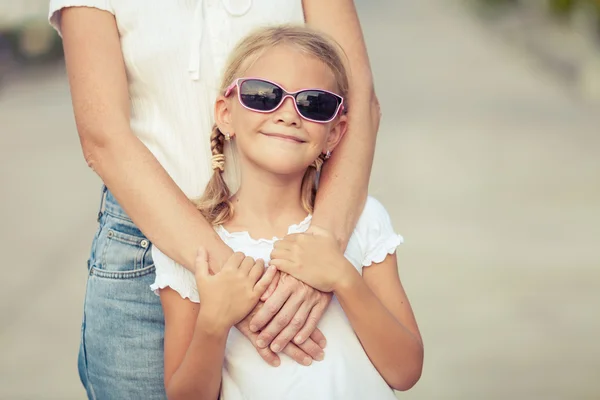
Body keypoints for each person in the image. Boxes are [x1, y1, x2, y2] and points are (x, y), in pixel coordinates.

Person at [49, 0, 380, 398]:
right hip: (148, 250)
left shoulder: (345, 241)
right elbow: (104, 138)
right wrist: (244, 286)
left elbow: (358, 105)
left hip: (300, 249)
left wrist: (323, 243)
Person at [155, 25, 423, 400]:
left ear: (335, 132)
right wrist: (214, 324)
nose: (288, 114)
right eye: (263, 96)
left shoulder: (363, 221)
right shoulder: (194, 245)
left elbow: (406, 370)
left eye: (313, 103)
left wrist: (344, 277)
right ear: (225, 114)